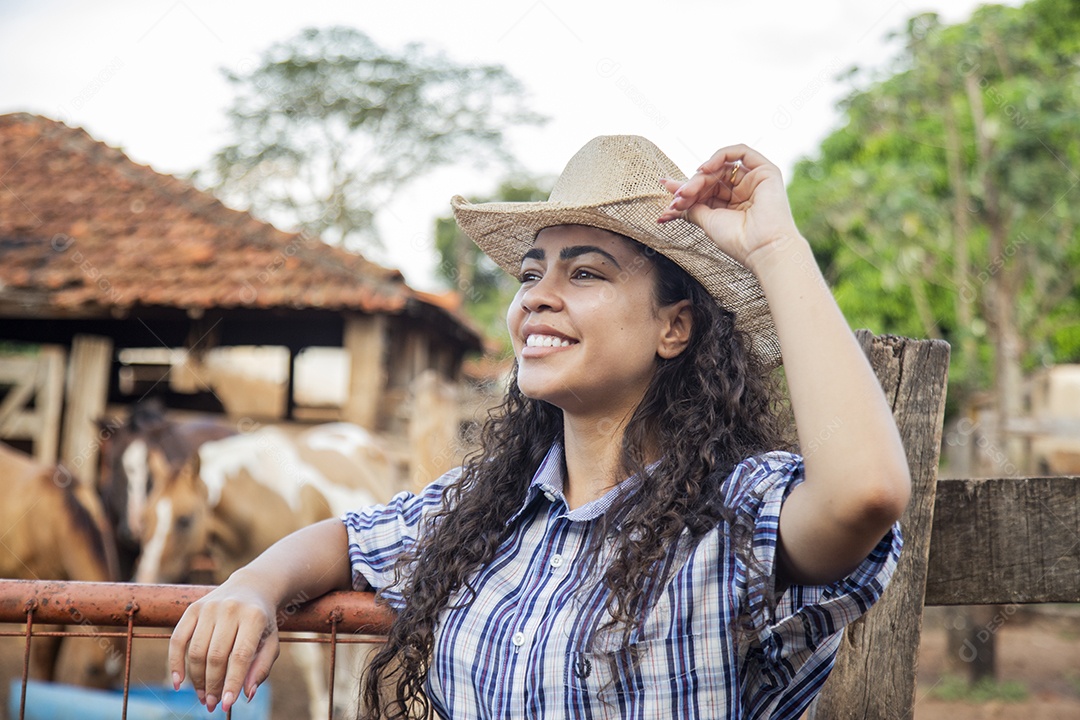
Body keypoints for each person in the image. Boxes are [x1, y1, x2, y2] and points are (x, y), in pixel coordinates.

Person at [168, 136, 909, 719]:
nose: (537, 299)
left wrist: (776, 248)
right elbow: (346, 539)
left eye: (584, 274)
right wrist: (252, 585)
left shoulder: (734, 516)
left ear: (674, 327)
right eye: (530, 274)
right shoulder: (489, 510)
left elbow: (865, 494)